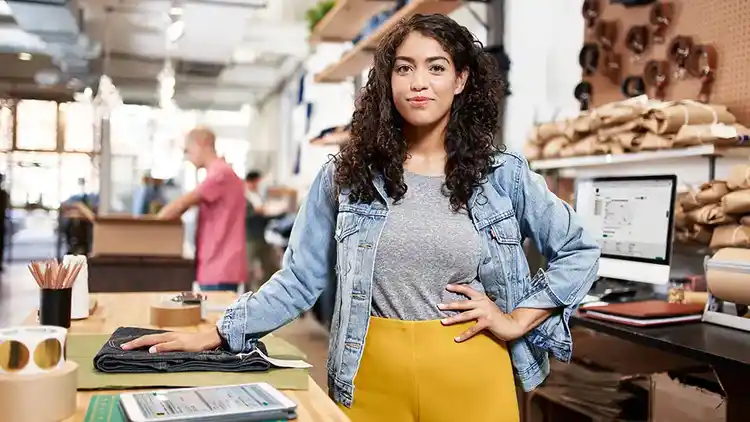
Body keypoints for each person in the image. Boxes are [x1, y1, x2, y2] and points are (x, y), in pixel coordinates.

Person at [122, 14, 600, 422]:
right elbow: (299, 281)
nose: (418, 82)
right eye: (404, 68)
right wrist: (218, 331)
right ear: (387, 82)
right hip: (371, 372)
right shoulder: (346, 177)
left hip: (473, 372)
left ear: (461, 81)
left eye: (436, 68)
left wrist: (518, 319)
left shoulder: (502, 175)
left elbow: (579, 249)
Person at [156, 127, 247, 292]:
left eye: (188, 150)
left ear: (201, 144)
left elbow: (181, 204)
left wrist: (151, 225)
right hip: (216, 264)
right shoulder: (220, 172)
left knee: (217, 316)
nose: (189, 157)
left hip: (220, 266)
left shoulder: (220, 174)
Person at [244, 170, 279, 291]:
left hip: (260, 236)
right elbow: (244, 215)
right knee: (249, 269)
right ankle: (249, 293)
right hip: (249, 237)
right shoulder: (244, 196)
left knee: (269, 265)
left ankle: (267, 291)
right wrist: (257, 211)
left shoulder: (257, 195)